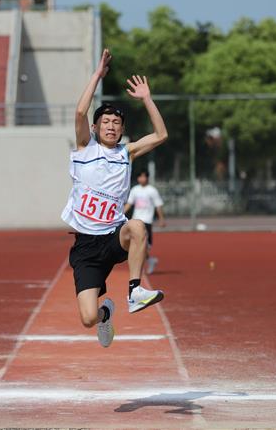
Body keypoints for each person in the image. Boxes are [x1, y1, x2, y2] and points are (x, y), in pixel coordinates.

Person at [61, 49, 167, 348]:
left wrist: (146, 98)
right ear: (96, 128)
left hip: (113, 235)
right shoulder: (85, 148)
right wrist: (98, 76)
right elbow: (80, 113)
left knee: (137, 226)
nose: (111, 126)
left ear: (122, 130)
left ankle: (135, 291)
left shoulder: (126, 152)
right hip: (86, 245)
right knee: (87, 317)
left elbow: (160, 135)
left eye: (116, 123)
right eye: (105, 121)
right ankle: (107, 312)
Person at [124, 169, 166, 274]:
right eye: (140, 176)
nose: (142, 179)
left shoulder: (152, 190)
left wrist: (161, 219)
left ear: (147, 178)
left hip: (146, 221)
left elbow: (158, 205)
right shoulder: (135, 190)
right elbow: (129, 204)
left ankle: (146, 263)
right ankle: (148, 262)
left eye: (144, 176)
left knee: (144, 246)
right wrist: (120, 214)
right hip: (135, 221)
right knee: (134, 244)